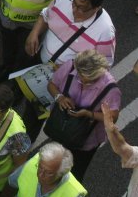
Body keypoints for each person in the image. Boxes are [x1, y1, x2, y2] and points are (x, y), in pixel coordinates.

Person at [46, 50, 121, 179]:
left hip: (86, 141)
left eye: (89, 81)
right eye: (79, 77)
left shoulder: (111, 89)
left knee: (74, 175)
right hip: (60, 129)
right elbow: (52, 85)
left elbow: (112, 117)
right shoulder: (70, 66)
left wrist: (89, 114)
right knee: (50, 165)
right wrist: (60, 98)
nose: (82, 82)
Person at [26, 0, 115, 67]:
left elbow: (103, 65)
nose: (74, 10)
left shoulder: (105, 31)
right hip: (40, 63)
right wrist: (34, 33)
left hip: (66, 78)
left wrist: (71, 70)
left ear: (96, 8)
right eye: (74, 3)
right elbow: (46, 15)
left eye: (81, 8)